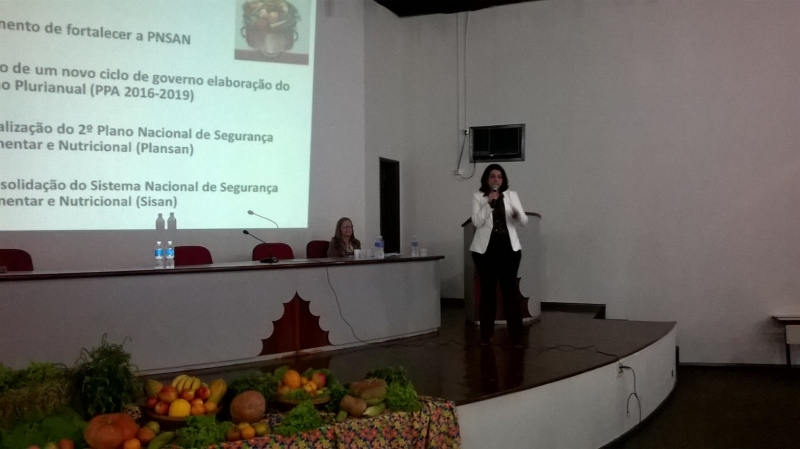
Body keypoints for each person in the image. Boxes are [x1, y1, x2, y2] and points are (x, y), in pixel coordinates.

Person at [470, 164, 528, 345]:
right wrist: (489, 203)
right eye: (492, 176)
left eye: (499, 176)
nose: (496, 179)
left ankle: (517, 337)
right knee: (488, 292)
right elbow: (476, 222)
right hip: (485, 251)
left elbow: (524, 220)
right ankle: (486, 336)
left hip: (509, 250)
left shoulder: (512, 196)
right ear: (486, 179)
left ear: (503, 180)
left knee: (510, 292)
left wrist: (516, 214)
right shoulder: (478, 197)